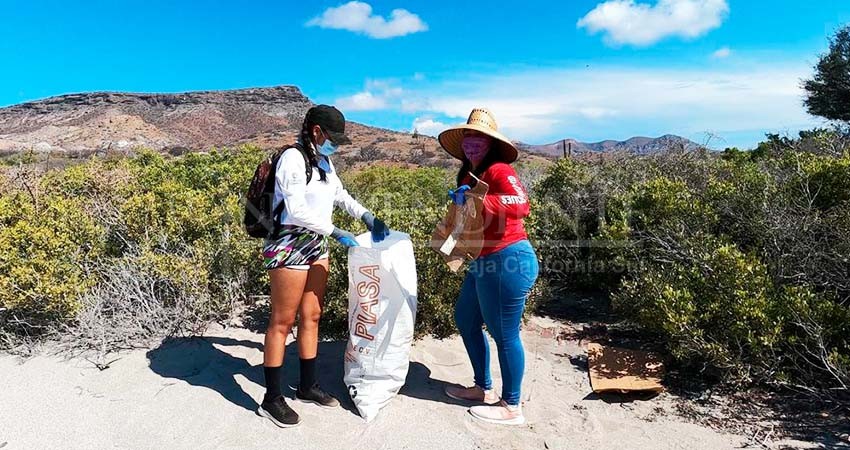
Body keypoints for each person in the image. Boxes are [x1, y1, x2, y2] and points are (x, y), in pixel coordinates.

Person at [258, 105, 390, 428]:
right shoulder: (292, 159)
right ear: (317, 131)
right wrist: (336, 231)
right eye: (333, 138)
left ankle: (306, 385)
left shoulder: (324, 161)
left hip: (317, 245)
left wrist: (365, 216)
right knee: (282, 320)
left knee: (312, 316)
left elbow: (340, 195)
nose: (336, 145)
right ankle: (271, 398)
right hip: (289, 244)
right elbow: (296, 209)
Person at [438, 108, 539, 425]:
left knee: (504, 334)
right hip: (484, 260)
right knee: (465, 318)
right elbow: (470, 215)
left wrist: (481, 200)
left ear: (491, 142)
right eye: (468, 137)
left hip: (507, 260)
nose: (471, 143)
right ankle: (483, 388)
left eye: (478, 138)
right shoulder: (469, 174)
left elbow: (521, 204)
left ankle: (512, 407)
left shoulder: (499, 170)